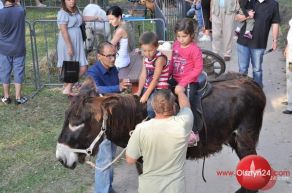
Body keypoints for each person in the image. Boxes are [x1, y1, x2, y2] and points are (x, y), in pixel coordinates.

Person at [126, 88, 193, 193]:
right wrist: (180, 92)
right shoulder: (183, 124)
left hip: (149, 188)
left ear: (152, 106)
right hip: (175, 188)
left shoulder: (141, 129)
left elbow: (130, 160)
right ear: (174, 106)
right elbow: (186, 107)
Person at [87, 41, 131, 193]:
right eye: (109, 56)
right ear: (99, 56)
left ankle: (107, 187)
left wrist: (121, 85)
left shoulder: (113, 70)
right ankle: (102, 190)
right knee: (105, 158)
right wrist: (117, 87)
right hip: (101, 121)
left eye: (114, 55)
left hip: (113, 118)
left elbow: (114, 90)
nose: (113, 59)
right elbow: (96, 89)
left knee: (109, 156)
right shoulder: (93, 72)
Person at [169, 18, 203, 144]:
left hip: (189, 81)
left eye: (184, 36)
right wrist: (167, 74)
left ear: (191, 35)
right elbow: (172, 62)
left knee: (188, 104)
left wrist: (183, 84)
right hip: (176, 78)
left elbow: (198, 68)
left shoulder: (194, 49)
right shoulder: (176, 45)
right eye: (178, 36)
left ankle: (193, 132)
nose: (181, 39)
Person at [57, 0, 100, 95]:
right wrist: (69, 46)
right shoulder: (62, 13)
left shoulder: (76, 10)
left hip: (78, 41)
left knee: (82, 66)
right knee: (72, 65)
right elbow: (63, 30)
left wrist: (95, 17)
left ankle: (68, 87)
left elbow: (82, 18)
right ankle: (68, 88)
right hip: (67, 41)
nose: (71, 1)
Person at [236, 0, 280, 88]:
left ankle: (258, 89)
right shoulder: (249, 1)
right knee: (242, 69)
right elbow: (237, 17)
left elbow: (275, 23)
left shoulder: (273, 4)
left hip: (259, 42)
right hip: (243, 41)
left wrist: (275, 40)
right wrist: (247, 15)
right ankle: (241, 90)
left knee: (257, 69)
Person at [135, 31, 169, 118]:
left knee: (151, 108)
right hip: (149, 87)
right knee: (139, 105)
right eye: (144, 51)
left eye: (150, 50)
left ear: (157, 46)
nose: (147, 53)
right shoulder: (145, 58)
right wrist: (139, 91)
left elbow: (156, 79)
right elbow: (143, 75)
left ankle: (152, 123)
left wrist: (146, 95)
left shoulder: (159, 59)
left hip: (159, 88)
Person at [0, 0, 28, 105]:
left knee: (5, 71)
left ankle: (6, 97)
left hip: (3, 48)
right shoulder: (21, 11)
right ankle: (18, 97)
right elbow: (22, 10)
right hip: (18, 47)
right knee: (18, 71)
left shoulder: (0, 12)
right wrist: (17, 3)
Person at [283, 18, 292, 114]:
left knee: (291, 76)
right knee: (290, 76)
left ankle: (291, 106)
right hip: (290, 53)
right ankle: (290, 99)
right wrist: (287, 47)